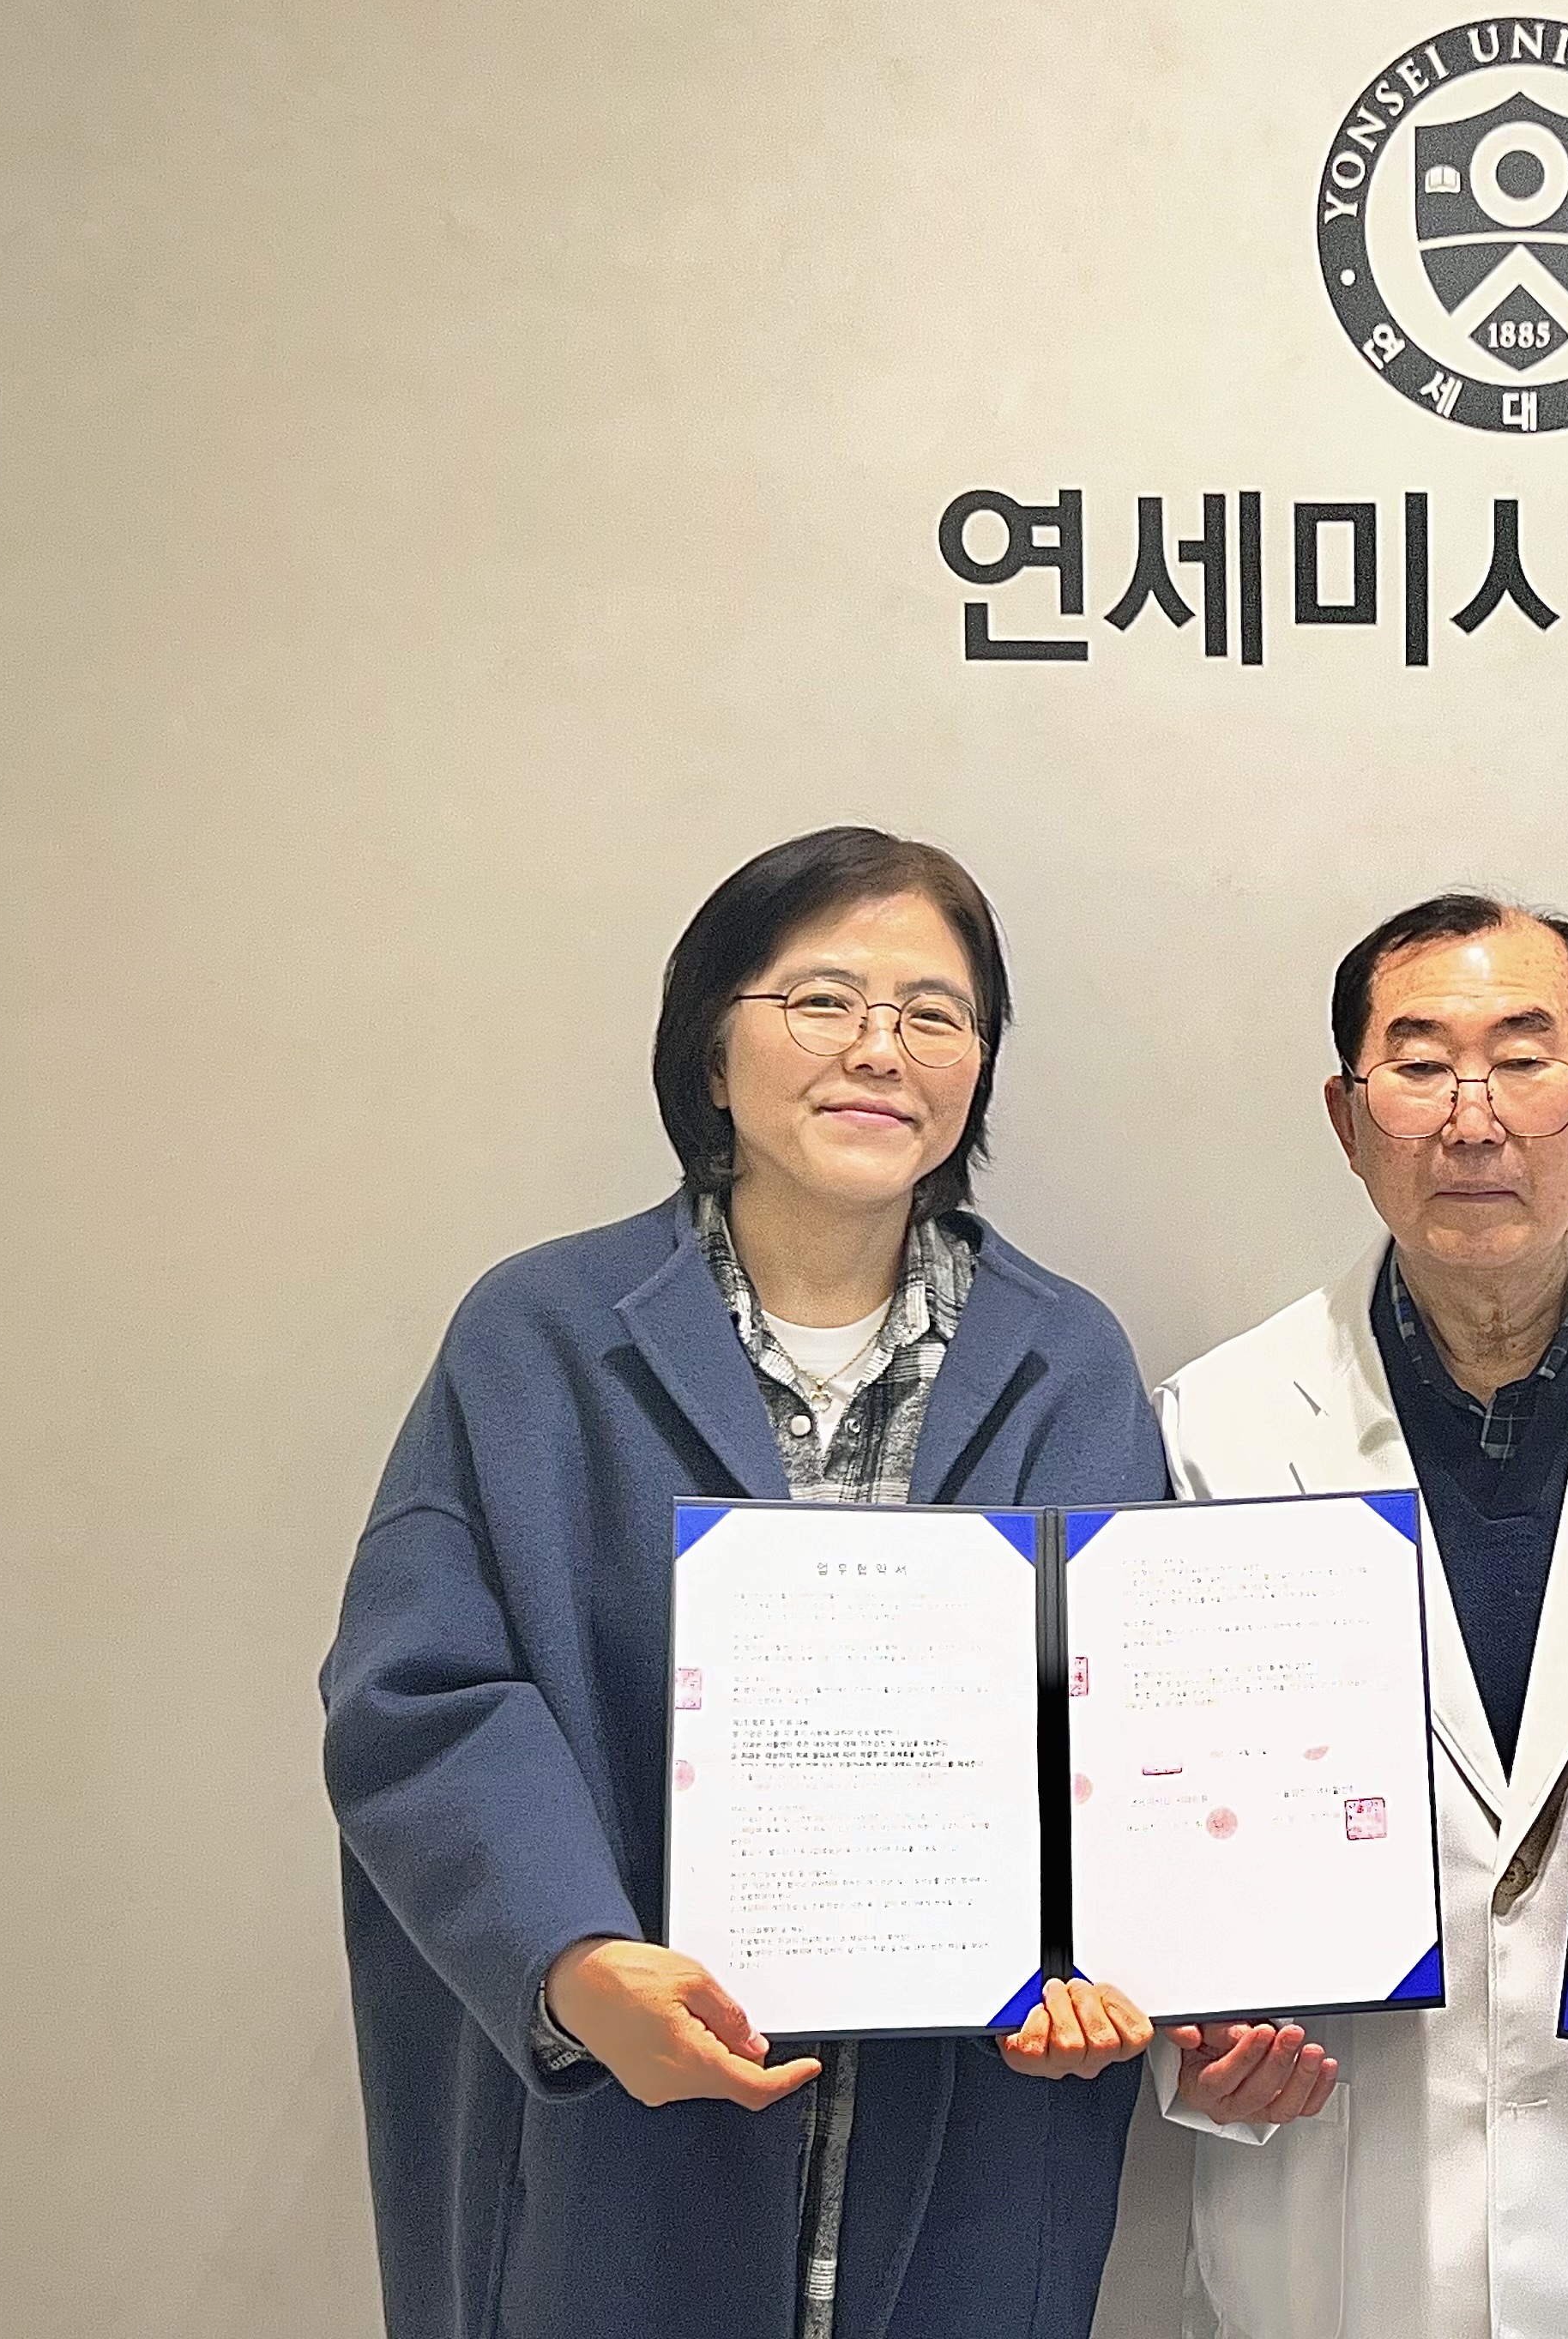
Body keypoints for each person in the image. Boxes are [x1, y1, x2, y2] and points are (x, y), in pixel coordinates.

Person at [323, 826, 1169, 2339]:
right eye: (823, 999)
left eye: (934, 1013)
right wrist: (575, 1966)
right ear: (712, 1051)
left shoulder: (1069, 1359)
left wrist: (1098, 1965)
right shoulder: (542, 1335)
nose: (880, 1050)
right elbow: (419, 1695)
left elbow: (1127, 1727)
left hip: (966, 2136)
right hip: (622, 2134)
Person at [1137, 892, 1568, 2339]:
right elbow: (1168, 1826)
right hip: (1337, 2230)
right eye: (1418, 1066)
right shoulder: (1218, 1426)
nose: (1473, 1120)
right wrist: (1190, 2047)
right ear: (1347, 1117)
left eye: (1524, 1060)